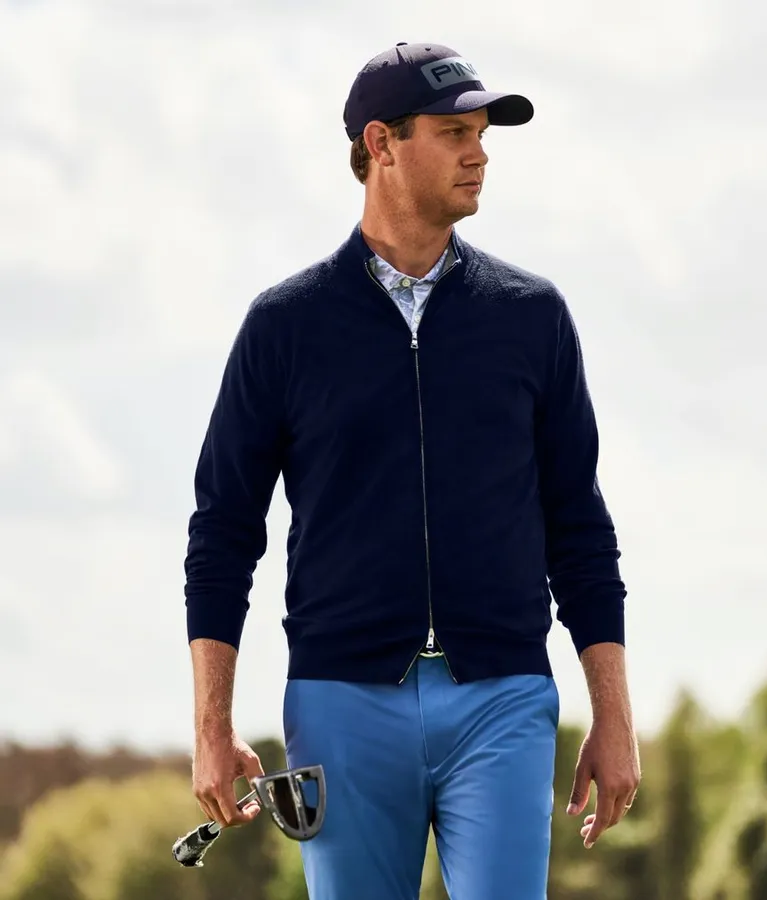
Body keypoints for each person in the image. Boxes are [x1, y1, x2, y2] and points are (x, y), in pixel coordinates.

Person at [184, 41, 640, 900]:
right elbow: (222, 534)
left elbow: (580, 528)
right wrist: (212, 725)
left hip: (504, 697)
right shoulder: (285, 326)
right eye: (454, 132)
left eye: (482, 134)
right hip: (340, 705)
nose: (479, 153)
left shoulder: (532, 317)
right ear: (381, 144)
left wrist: (612, 714)